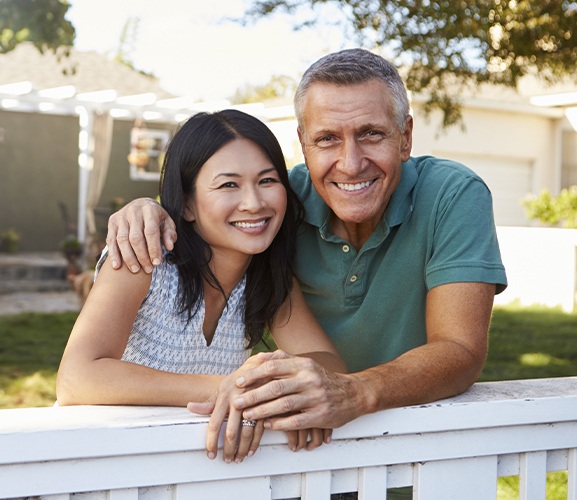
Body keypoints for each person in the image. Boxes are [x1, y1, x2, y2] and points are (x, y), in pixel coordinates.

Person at [106, 49, 507, 439]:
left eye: (370, 134)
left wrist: (351, 392)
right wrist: (149, 209)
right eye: (328, 138)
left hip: (417, 446)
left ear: (405, 137)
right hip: (303, 452)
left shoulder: (453, 195)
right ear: (303, 144)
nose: (351, 163)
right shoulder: (280, 204)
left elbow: (459, 349)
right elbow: (210, 207)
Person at [56, 109, 346, 464]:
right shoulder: (145, 258)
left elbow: (331, 366)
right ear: (188, 204)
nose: (254, 203)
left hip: (189, 470)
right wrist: (234, 388)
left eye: (267, 181)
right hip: (96, 461)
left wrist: (268, 378)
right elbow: (76, 378)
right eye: (228, 185)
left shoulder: (268, 279)